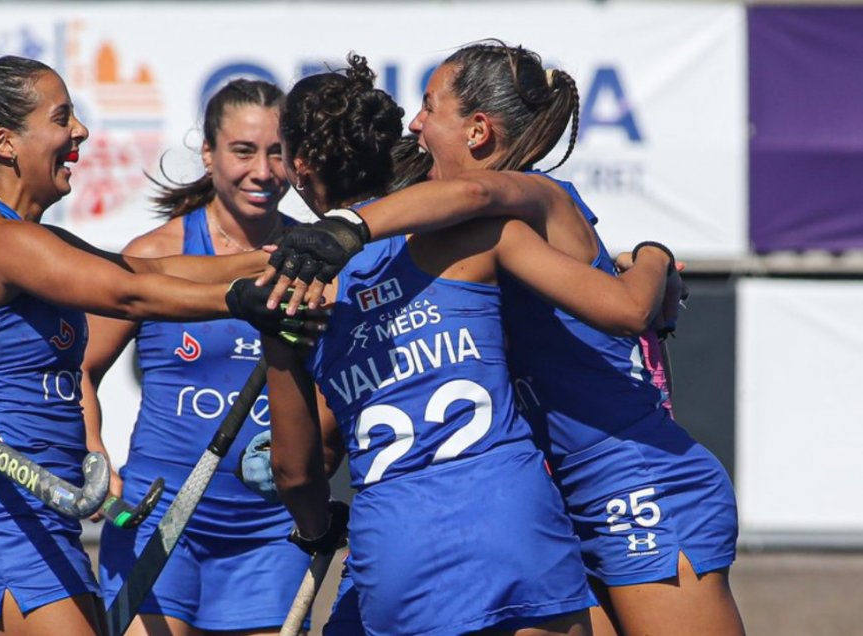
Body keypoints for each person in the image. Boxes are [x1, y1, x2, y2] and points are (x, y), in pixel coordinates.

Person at [264, 41, 742, 636]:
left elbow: (480, 195)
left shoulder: (535, 195)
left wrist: (654, 256)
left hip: (631, 476)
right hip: (549, 494)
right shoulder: (452, 240)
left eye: (429, 107)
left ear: (478, 131)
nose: (414, 124)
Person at [0, 55, 320, 636]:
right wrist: (242, 300)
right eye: (62, 118)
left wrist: (277, 259)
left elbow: (149, 268)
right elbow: (130, 295)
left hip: (34, 509)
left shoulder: (32, 236)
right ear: (5, 144)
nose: (80, 131)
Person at [84, 79, 316, 636]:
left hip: (272, 532)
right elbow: (80, 368)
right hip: (159, 519)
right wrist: (92, 452)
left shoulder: (316, 257)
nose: (263, 171)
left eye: (278, 153)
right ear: (208, 153)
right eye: (244, 151)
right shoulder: (154, 254)